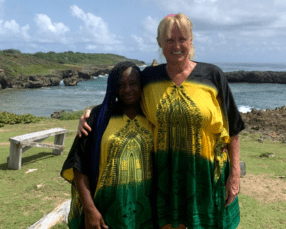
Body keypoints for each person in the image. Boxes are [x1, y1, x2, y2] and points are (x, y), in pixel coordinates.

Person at [77, 13, 245, 229]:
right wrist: (91, 113)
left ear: (191, 41)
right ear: (159, 43)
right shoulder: (149, 77)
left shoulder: (212, 75)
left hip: (206, 173)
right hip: (163, 177)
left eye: (182, 39)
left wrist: (235, 176)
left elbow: (233, 127)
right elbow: (125, 96)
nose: (176, 45)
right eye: (169, 40)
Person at [61, 61, 155, 229]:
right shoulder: (98, 118)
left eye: (133, 83)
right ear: (113, 88)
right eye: (121, 85)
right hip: (104, 213)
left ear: (141, 85)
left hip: (147, 212)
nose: (128, 90)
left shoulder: (153, 117)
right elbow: (78, 166)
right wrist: (90, 211)